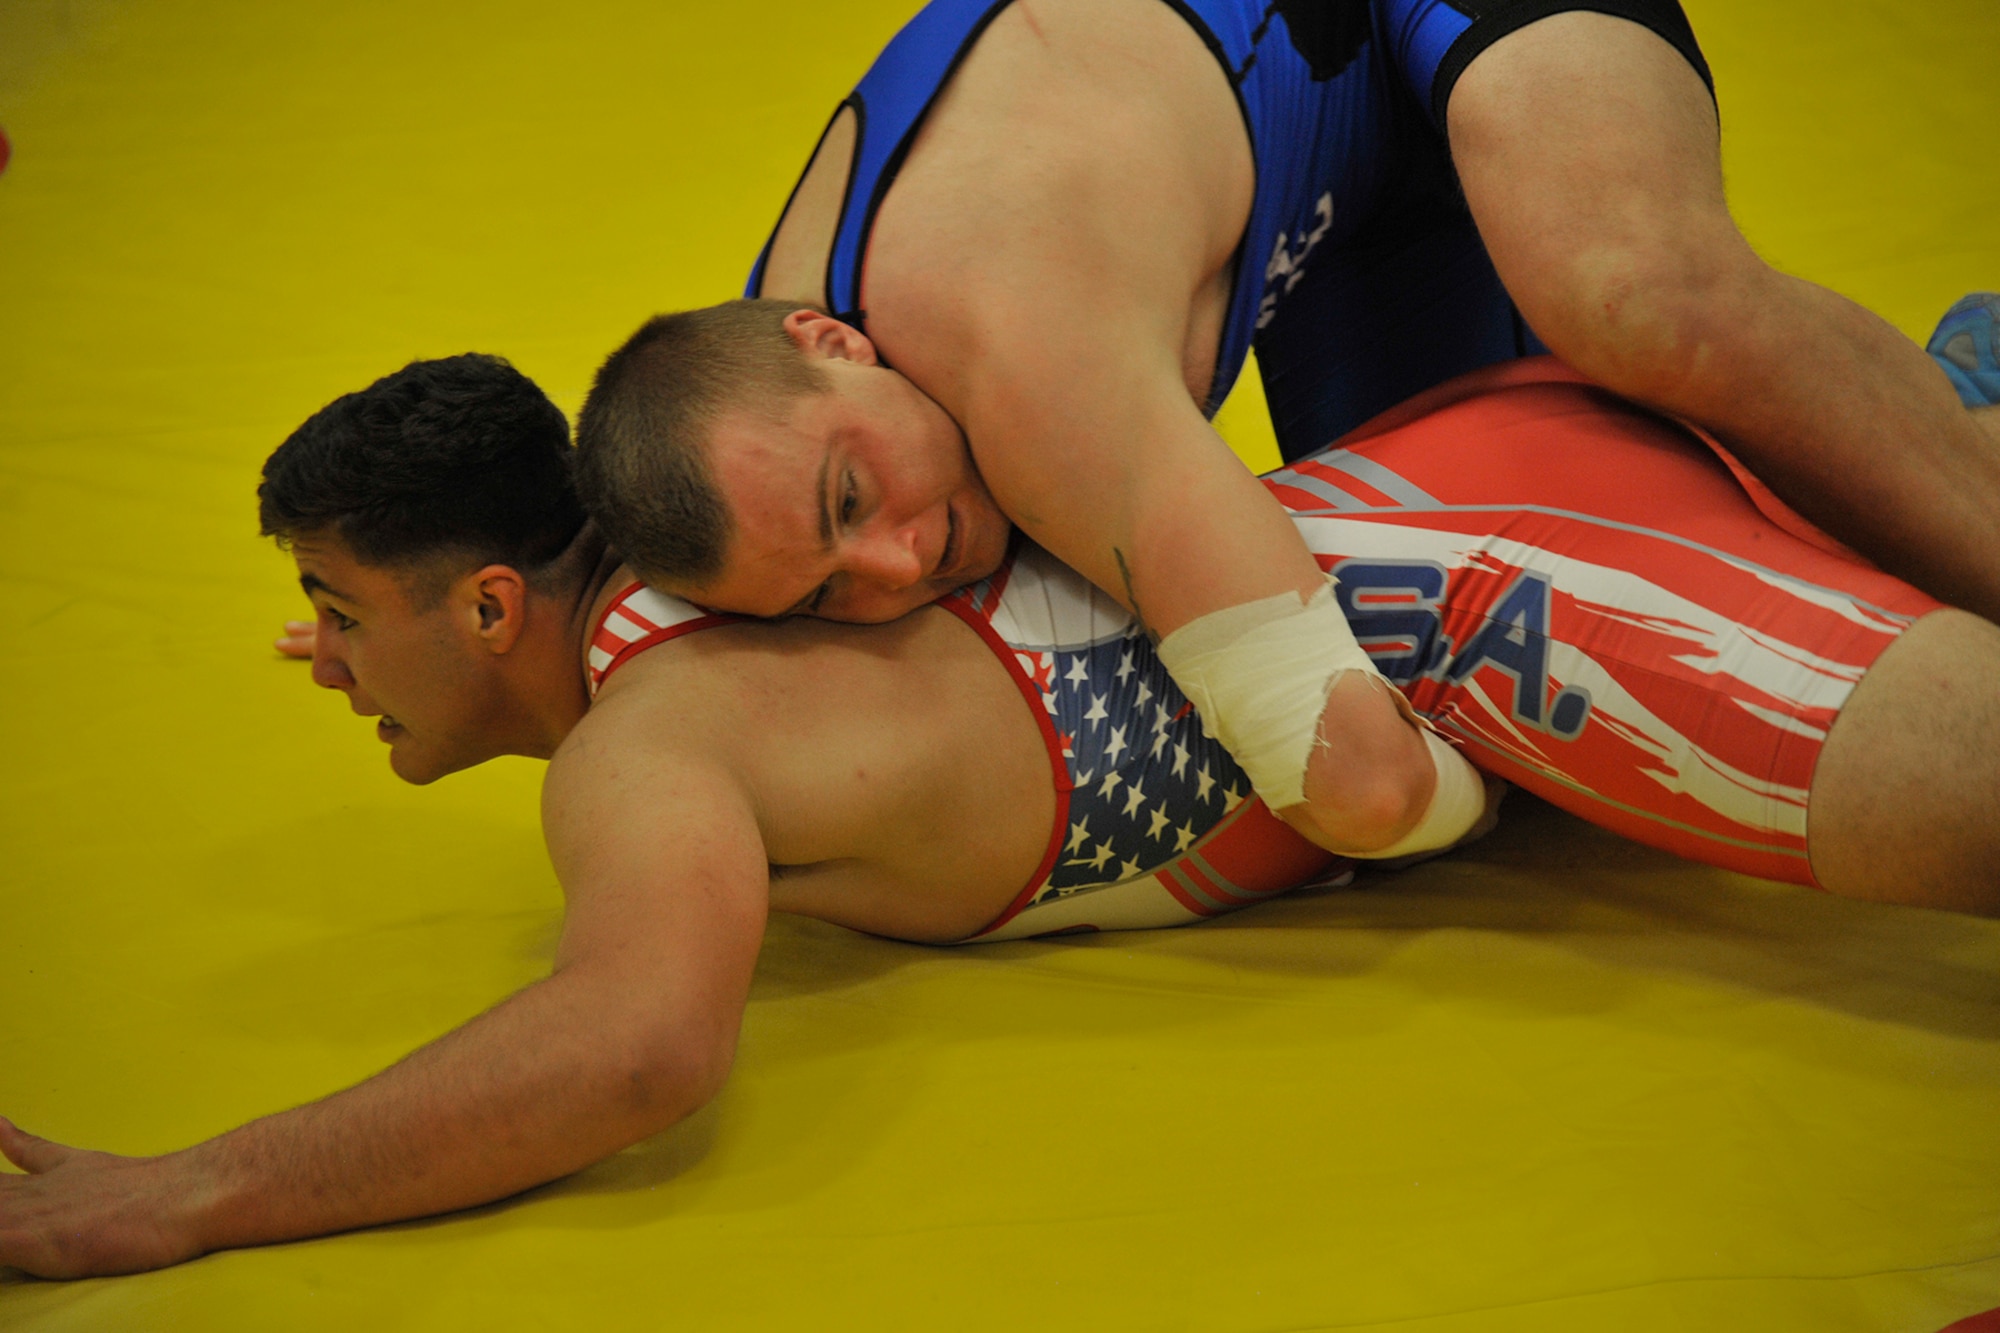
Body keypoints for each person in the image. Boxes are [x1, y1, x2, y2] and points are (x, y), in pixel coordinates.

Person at [3, 352, 1996, 1280]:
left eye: (337, 618)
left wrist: (182, 1191)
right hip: (1456, 487)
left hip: (1472, 590)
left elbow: (630, 1044)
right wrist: (398, 639)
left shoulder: (653, 744)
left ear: (502, 601)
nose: (322, 663)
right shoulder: (711, 569)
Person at [574, 0, 2000, 884]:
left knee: (1623, 284)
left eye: (853, 495)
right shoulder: (749, 408)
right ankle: (1969, 389)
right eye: (829, 594)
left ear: (832, 340)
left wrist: (1440, 808)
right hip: (1357, 184)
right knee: (1530, 562)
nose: (900, 556)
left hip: (1408, 23)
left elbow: (1364, 790)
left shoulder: (1024, 359)